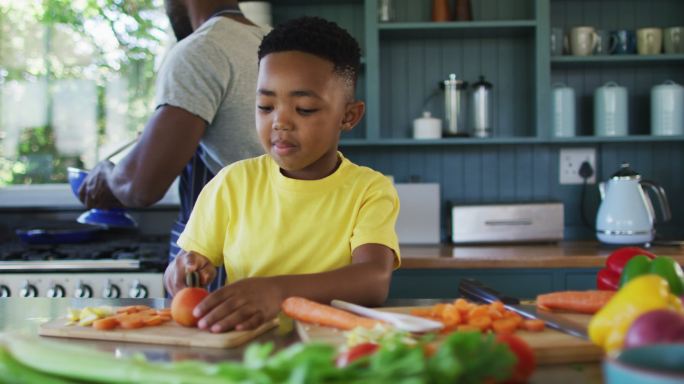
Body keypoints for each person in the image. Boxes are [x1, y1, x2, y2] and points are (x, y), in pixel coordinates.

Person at [164, 16, 401, 333]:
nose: (280, 123)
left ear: (349, 115)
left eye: (304, 109)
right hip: (248, 354)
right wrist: (183, 271)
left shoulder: (369, 189)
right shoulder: (232, 184)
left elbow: (374, 279)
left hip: (332, 354)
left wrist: (276, 291)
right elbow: (186, 264)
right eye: (265, 106)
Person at [78, 0, 269, 290]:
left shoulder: (201, 49)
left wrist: (106, 174)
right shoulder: (273, 42)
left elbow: (143, 186)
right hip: (280, 252)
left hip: (217, 264)